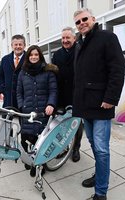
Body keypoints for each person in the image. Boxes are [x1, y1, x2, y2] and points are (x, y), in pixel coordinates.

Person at [73, 8, 125, 200]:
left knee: (101, 148)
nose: (81, 23)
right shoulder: (80, 42)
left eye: (84, 19)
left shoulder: (106, 37)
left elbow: (117, 70)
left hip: (102, 104)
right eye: (77, 22)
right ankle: (99, 175)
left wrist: (111, 98)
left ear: (93, 19)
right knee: (94, 145)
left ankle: (101, 192)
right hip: (85, 105)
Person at [16, 45, 58, 177]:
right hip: (28, 112)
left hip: (43, 112)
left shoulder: (48, 71)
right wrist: (22, 105)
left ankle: (40, 164)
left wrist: (51, 104)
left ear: (40, 56)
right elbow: (19, 92)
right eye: (31, 55)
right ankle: (31, 161)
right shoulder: (23, 72)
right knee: (27, 138)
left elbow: (53, 90)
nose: (34, 57)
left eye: (36, 55)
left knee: (41, 141)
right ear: (28, 57)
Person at [52, 27, 84, 163]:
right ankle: (64, 148)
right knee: (62, 124)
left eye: (68, 38)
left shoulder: (81, 50)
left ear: (74, 38)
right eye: (63, 38)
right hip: (61, 96)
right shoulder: (57, 54)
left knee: (77, 124)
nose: (65, 41)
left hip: (77, 94)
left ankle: (76, 148)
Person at [0, 34, 26, 108]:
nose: (18, 46)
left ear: (24, 45)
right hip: (8, 99)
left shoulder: (29, 59)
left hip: (25, 99)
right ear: (12, 46)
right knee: (6, 119)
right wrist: (2, 89)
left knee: (24, 119)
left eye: (20, 44)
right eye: (15, 44)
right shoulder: (5, 59)